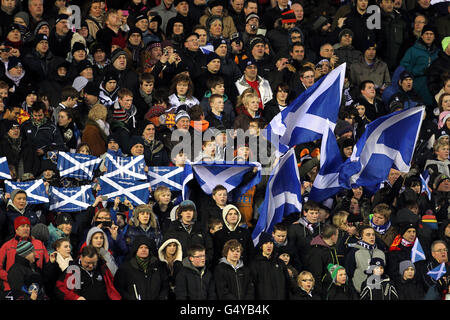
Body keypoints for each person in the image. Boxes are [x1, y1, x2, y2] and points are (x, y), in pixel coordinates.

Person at [0, 216, 49, 297]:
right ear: (16, 229)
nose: (26, 229)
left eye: (28, 226)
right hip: (12, 287)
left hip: (35, 288)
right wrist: (12, 278)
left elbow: (46, 266)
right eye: (22, 226)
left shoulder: (39, 243)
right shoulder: (7, 246)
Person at [56, 245, 121, 300]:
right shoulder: (74, 270)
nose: (91, 266)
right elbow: (61, 289)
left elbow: (112, 286)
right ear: (81, 258)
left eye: (94, 263)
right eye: (88, 263)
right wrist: (76, 298)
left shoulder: (102, 267)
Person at [114, 236, 169, 300]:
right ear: (136, 249)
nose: (144, 250)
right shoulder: (125, 268)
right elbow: (119, 288)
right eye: (141, 247)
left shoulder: (159, 266)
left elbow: (165, 285)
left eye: (146, 247)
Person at [249, 232, 291, 300]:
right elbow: (252, 287)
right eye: (266, 243)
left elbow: (288, 284)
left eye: (271, 243)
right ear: (261, 246)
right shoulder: (255, 264)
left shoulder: (280, 263)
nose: (269, 246)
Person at [344, 225, 386, 293]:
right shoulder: (354, 252)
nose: (371, 237)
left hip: (377, 292)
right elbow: (349, 274)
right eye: (368, 235)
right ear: (361, 237)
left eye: (373, 234)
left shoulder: (381, 253)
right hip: (359, 291)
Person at [305, 224, 340, 297]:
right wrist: (320, 293)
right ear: (333, 237)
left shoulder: (331, 249)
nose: (338, 237)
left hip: (331, 289)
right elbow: (316, 275)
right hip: (322, 291)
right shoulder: (316, 252)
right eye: (337, 235)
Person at [287, 200, 324, 269]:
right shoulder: (294, 227)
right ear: (305, 213)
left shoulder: (322, 227)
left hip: (318, 266)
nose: (315, 216)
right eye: (312, 213)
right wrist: (298, 265)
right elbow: (291, 248)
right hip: (301, 266)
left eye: (316, 213)